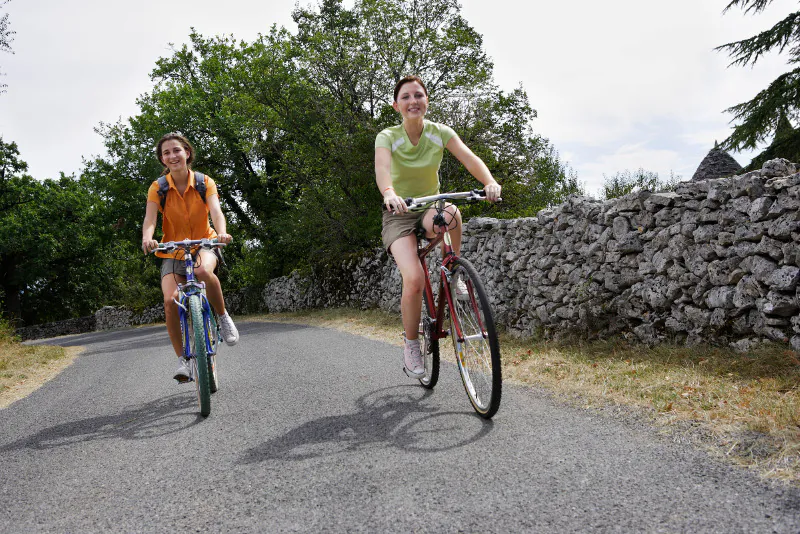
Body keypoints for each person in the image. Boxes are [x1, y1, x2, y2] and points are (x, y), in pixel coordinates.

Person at [375, 75, 501, 379]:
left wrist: (489, 182)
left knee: (452, 213)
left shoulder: (440, 133)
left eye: (418, 95)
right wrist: (389, 193)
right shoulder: (387, 136)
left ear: (427, 101)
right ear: (396, 106)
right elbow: (382, 170)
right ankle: (411, 344)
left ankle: (454, 271)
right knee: (415, 279)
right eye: (405, 97)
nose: (413, 101)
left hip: (428, 207)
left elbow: (469, 158)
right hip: (399, 213)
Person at [142, 133, 239, 383]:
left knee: (202, 272)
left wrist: (222, 232)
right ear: (162, 159)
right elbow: (150, 219)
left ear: (187, 152)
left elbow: (216, 211)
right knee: (170, 300)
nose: (172, 156)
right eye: (166, 153)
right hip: (172, 249)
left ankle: (222, 316)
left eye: (176, 150)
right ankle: (183, 360)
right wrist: (148, 238)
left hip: (204, 243)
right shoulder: (158, 187)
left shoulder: (204, 182)